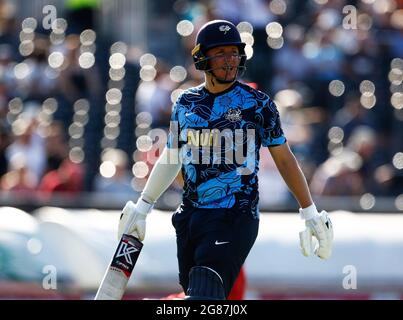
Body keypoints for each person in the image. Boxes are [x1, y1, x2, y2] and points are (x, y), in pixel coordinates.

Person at [118, 20, 334, 300]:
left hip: (236, 216)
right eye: (220, 53)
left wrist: (310, 212)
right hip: (191, 217)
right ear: (201, 57)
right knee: (197, 293)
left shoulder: (258, 104)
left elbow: (285, 160)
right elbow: (171, 158)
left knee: (203, 295)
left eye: (234, 52)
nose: (229, 60)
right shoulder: (185, 103)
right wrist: (143, 206)